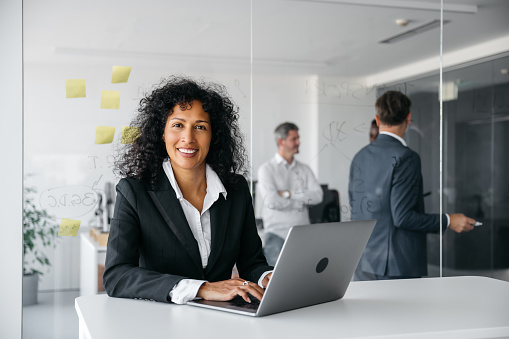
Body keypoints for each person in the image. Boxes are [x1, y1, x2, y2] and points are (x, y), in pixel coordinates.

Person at [103, 76, 272, 304]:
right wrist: (201, 289)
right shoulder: (135, 191)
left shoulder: (236, 190)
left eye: (200, 127)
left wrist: (265, 277)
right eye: (178, 125)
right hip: (160, 320)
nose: (188, 138)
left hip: (222, 320)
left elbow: (251, 262)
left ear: (214, 135)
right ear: (162, 132)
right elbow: (117, 276)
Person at [349, 90, 476, 280]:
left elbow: (355, 205)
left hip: (363, 261)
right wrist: (448, 220)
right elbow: (403, 217)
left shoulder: (359, 156)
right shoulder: (406, 157)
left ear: (377, 119)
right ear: (408, 118)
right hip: (397, 265)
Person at [257, 122, 323, 265]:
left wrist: (288, 194)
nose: (298, 142)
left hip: (303, 235)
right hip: (277, 235)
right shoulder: (266, 170)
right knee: (275, 283)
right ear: (281, 141)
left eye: (298, 138)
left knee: (304, 279)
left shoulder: (305, 169)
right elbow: (272, 202)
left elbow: (318, 196)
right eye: (294, 139)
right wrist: (304, 197)